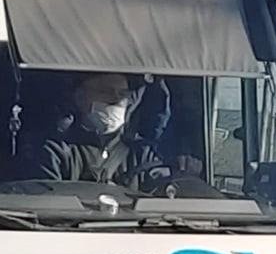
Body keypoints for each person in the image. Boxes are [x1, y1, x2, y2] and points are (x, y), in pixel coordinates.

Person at [13, 72, 165, 188]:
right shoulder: (55, 151)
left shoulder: (143, 154)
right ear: (80, 98)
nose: (116, 99)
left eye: (123, 94)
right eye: (105, 92)